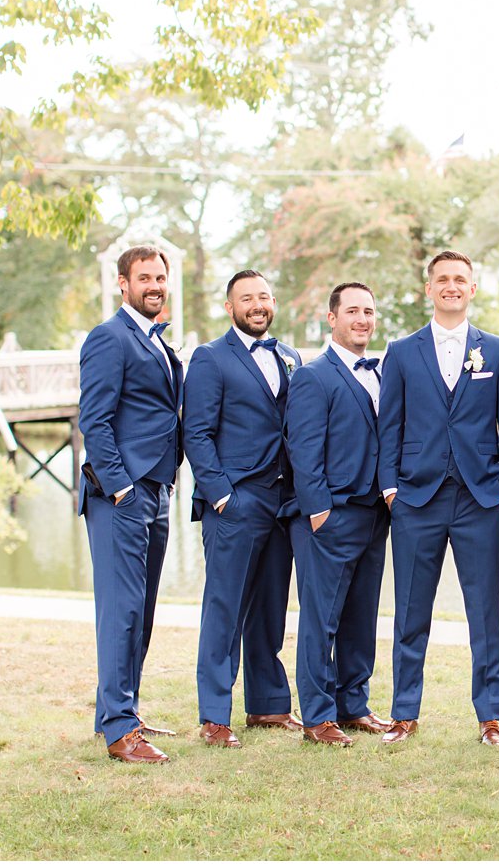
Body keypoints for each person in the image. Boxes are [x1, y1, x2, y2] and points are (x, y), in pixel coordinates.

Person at [376, 249, 499, 746]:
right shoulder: (400, 351)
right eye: (443, 279)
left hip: (481, 500)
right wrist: (391, 487)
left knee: (486, 611)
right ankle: (403, 714)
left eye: (461, 279)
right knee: (410, 612)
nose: (452, 286)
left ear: (473, 288)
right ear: (429, 288)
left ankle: (491, 716)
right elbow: (388, 426)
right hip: (416, 499)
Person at [184, 270, 302, 748]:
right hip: (236, 500)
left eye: (264, 297)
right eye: (246, 298)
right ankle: (215, 716)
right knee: (225, 608)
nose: (257, 305)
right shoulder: (210, 358)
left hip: (282, 501)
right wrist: (221, 495)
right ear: (229, 308)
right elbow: (196, 432)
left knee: (271, 606)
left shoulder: (290, 357)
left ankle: (268, 705)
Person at [77, 244, 184, 764]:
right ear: (124, 284)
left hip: (156, 490)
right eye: (144, 277)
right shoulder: (109, 338)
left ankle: (124, 713)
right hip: (120, 495)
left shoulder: (160, 344)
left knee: (140, 612)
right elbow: (93, 420)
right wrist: (120, 487)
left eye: (160, 277)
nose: (154, 285)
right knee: (120, 611)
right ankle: (120, 731)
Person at [284, 282, 395, 747]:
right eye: (352, 311)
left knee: (360, 617)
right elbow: (302, 450)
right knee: (321, 619)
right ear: (332, 318)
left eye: (368, 312)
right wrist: (319, 513)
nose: (362, 320)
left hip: (373, 516)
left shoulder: (382, 374)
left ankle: (353, 704)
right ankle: (317, 716)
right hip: (330, 517)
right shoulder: (313, 376)